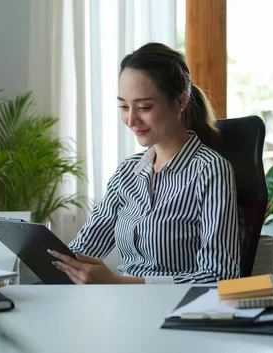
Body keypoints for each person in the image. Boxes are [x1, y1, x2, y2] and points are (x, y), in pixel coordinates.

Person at [48, 42, 239, 284]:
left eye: (144, 107)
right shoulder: (127, 172)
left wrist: (116, 283)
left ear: (180, 100)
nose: (131, 119)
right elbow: (83, 249)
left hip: (176, 312)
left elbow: (219, 277)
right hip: (122, 307)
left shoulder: (209, 170)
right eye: (124, 106)